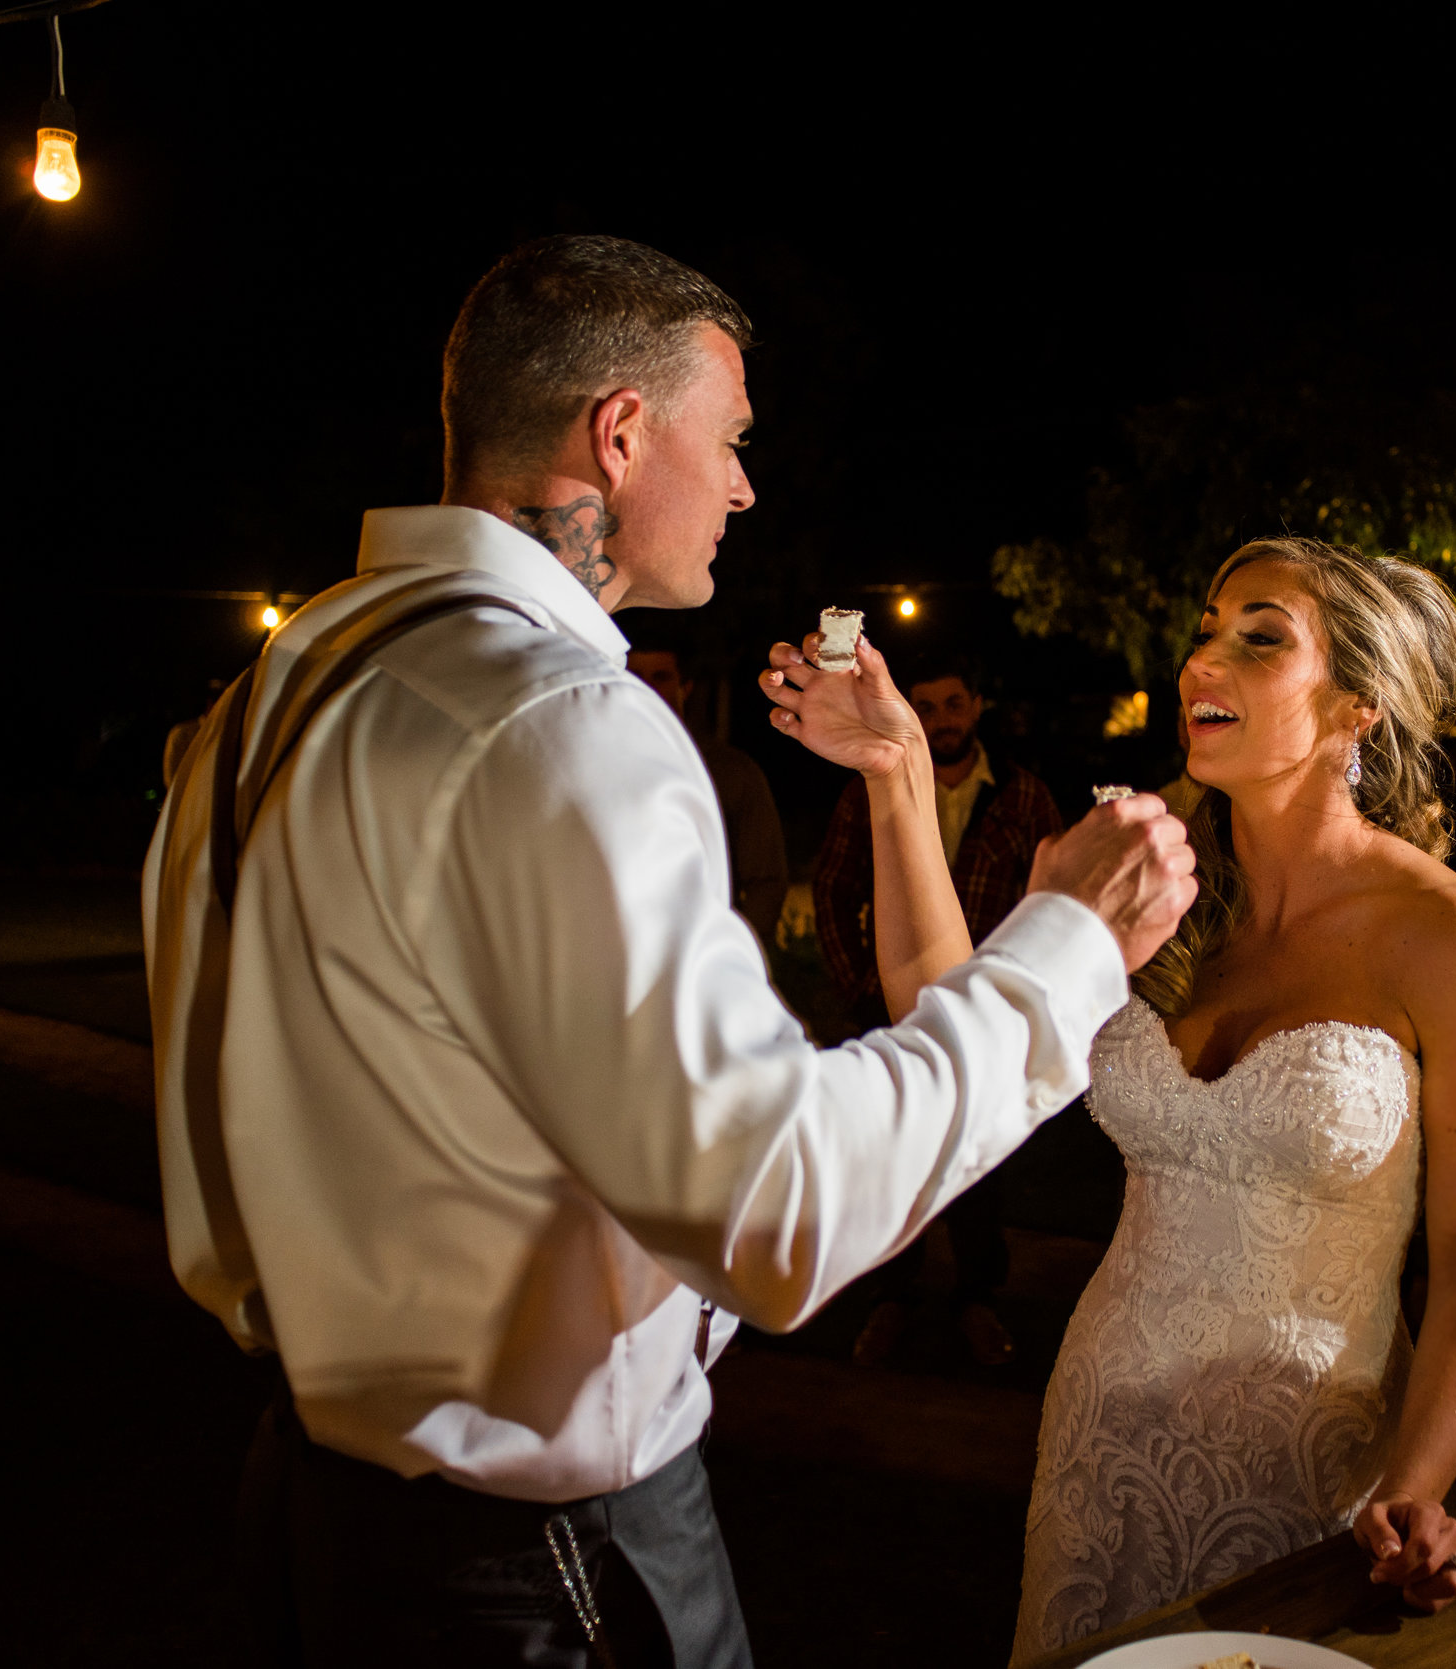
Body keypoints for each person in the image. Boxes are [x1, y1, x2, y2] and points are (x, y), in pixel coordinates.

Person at [145, 234, 1197, 1669]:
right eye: (735, 440)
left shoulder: (270, 695)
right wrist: (1070, 946)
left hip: (311, 1503)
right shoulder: (558, 718)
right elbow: (776, 1205)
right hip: (532, 1555)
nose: (749, 486)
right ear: (622, 432)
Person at [919, 538, 1456, 1658]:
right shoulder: (1148, 889)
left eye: (1260, 638)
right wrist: (894, 781)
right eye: (1206, 629)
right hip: (1101, 1436)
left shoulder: (1449, 935)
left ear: (1356, 708)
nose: (1205, 659)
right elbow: (947, 1028)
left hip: (1315, 1472)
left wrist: (1416, 1483)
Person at [812, 652, 1065, 1367]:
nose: (940, 721)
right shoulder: (867, 784)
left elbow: (1049, 902)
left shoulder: (1022, 797)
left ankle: (977, 1298)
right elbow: (831, 883)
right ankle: (889, 1296)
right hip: (888, 1010)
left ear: (976, 705)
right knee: (888, 1152)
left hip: (992, 1012)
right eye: (926, 707)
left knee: (982, 1158)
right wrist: (858, 978)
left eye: (953, 704)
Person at [626, 636, 788, 948]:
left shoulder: (729, 772)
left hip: (703, 951)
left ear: (684, 686)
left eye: (660, 677)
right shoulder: (598, 761)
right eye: (635, 677)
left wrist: (736, 953)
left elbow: (765, 881)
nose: (646, 687)